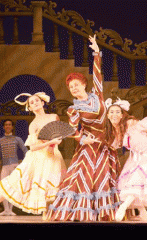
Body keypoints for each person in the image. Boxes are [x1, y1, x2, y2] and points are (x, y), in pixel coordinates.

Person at [45, 35, 121, 221]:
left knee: (104, 178)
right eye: (71, 87)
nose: (74, 89)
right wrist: (82, 139)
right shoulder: (73, 109)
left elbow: (97, 74)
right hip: (88, 146)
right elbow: (71, 130)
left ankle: (104, 212)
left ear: (84, 85)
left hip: (105, 144)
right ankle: (82, 212)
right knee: (85, 178)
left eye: (76, 85)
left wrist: (96, 52)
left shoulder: (97, 96)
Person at [0, 92, 67, 219]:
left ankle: (48, 213)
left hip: (53, 156)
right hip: (37, 158)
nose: (35, 103)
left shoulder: (54, 116)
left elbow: (60, 134)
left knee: (52, 185)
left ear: (42, 103)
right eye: (31, 102)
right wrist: (50, 142)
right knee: (16, 181)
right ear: (29, 107)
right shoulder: (33, 124)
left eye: (36, 100)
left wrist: (54, 143)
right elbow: (33, 147)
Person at [0, 119, 28, 216]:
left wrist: (24, 164)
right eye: (6, 125)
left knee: (14, 187)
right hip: (4, 166)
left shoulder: (17, 139)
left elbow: (26, 151)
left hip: (15, 166)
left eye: (9, 124)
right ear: (4, 127)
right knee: (3, 187)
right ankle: (6, 209)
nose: (8, 126)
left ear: (12, 127)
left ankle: (10, 210)